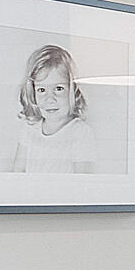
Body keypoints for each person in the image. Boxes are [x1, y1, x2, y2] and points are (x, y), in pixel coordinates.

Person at [10, 42, 101, 174]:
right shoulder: (30, 128)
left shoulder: (80, 133)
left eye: (58, 88)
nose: (49, 98)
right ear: (33, 93)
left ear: (72, 90)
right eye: (41, 90)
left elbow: (83, 182)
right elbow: (18, 170)